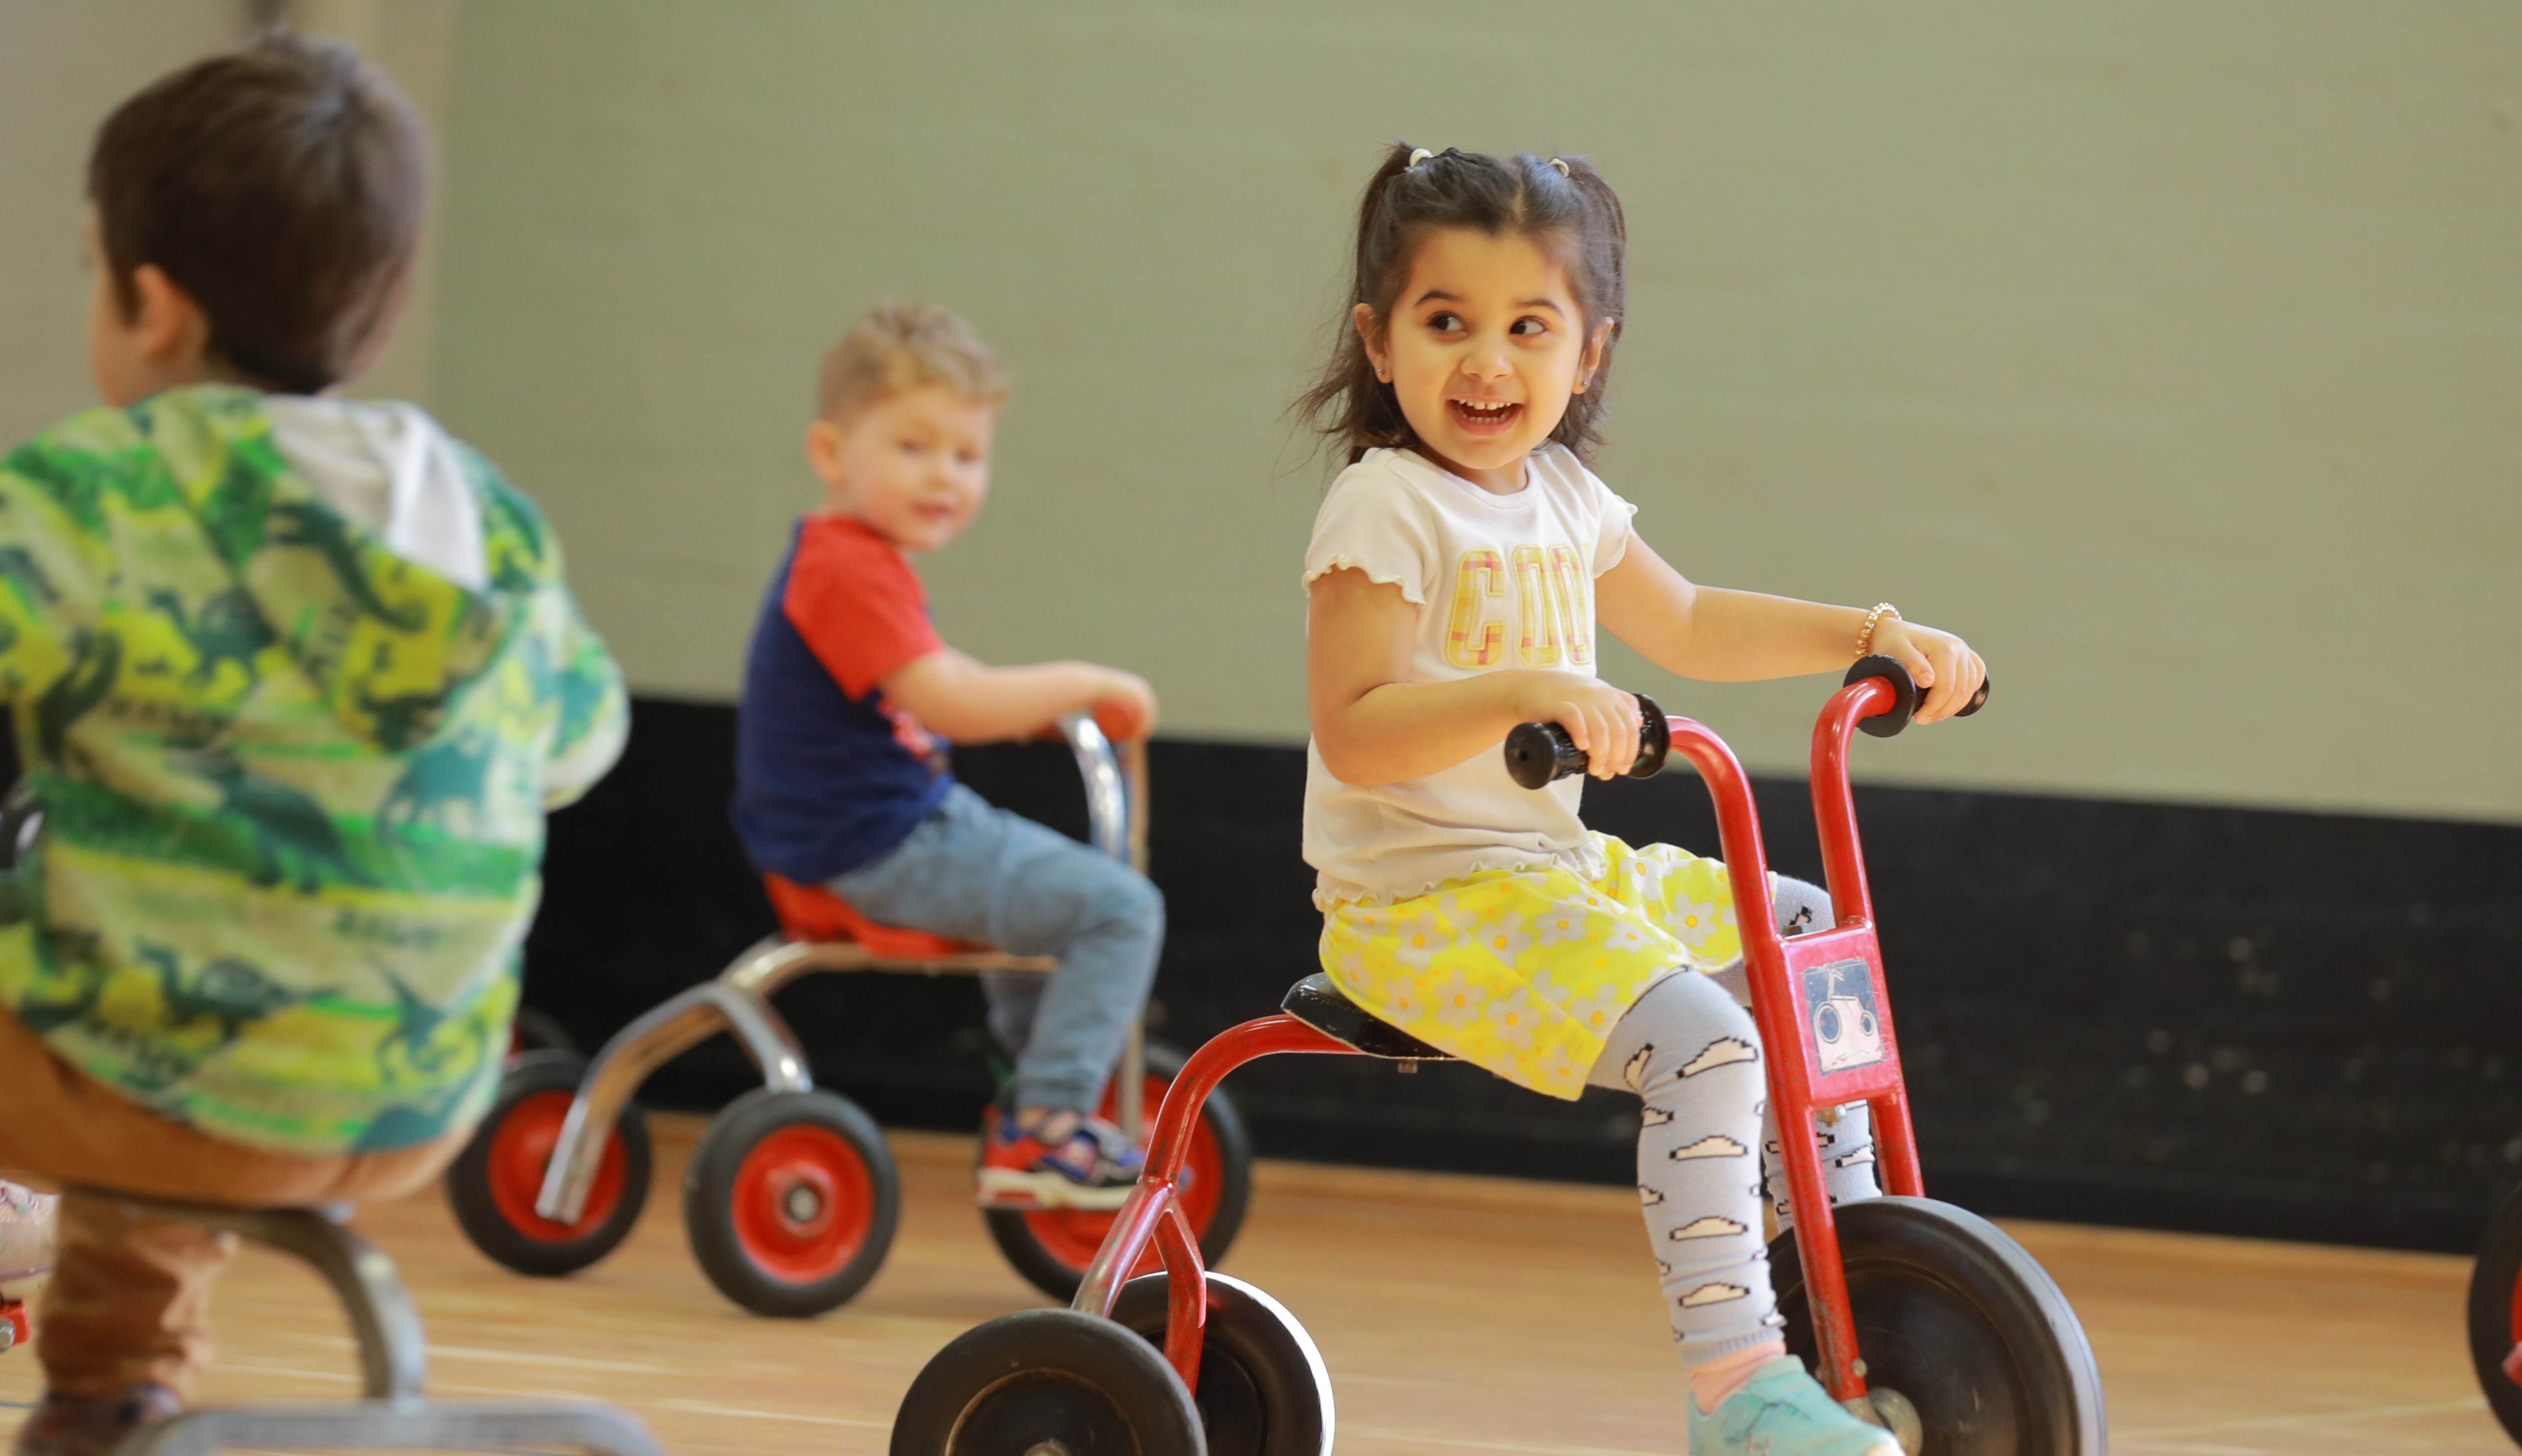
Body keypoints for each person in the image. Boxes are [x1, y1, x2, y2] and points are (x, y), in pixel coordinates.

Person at [1296, 144, 1987, 1456]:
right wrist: (1525, 687)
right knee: (1709, 1047)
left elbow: (1689, 622)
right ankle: (1736, 1389)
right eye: (1445, 324)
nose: (1486, 363)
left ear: (1589, 350)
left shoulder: (1561, 495)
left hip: (1549, 876)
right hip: (1418, 906)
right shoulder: (1383, 507)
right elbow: (1357, 729)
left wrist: (1876, 630)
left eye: (1527, 327)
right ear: (1378, 344)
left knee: (1806, 941)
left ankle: (1851, 1288)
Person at [0, 34, 626, 1455]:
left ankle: (108, 1381)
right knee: (184, 963)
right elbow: (579, 741)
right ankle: (107, 1396)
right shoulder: (483, 514)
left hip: (139, 1075)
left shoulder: (86, 495)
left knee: (138, 996)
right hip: (416, 1092)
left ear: (148, 304)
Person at [730, 303, 1164, 1209]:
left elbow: (940, 680)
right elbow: (951, 701)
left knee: (1048, 893)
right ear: (830, 453)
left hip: (876, 826)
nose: (944, 477)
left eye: (966, 456)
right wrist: (1081, 681)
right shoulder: (848, 566)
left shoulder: (855, 559)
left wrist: (1026, 709)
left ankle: (1028, 1079)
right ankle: (1045, 1123)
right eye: (913, 448)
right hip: (880, 843)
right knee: (1121, 909)